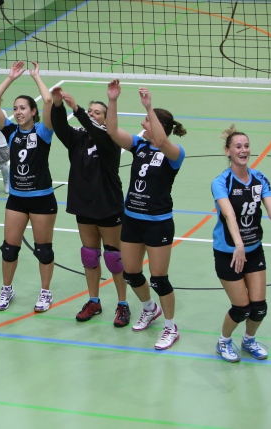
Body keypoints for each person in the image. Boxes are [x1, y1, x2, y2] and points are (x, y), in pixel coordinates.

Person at [105, 79, 187, 350]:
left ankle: (170, 327)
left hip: (158, 223)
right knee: (131, 273)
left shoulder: (174, 154)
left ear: (158, 125)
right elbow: (112, 130)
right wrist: (113, 100)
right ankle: (150, 308)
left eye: (147, 121)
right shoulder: (139, 146)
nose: (142, 124)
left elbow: (161, 140)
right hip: (132, 219)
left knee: (159, 279)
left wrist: (149, 106)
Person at [212, 125, 271, 362]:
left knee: (259, 307)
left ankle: (248, 340)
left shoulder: (259, 178)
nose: (244, 150)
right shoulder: (221, 182)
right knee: (241, 308)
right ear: (228, 151)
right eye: (238, 146)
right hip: (228, 252)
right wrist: (238, 245)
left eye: (246, 146)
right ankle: (223, 341)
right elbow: (228, 214)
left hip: (254, 249)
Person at [51, 87, 129, 326]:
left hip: (108, 205)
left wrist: (77, 109)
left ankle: (123, 304)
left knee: (114, 257)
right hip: (84, 205)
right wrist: (57, 105)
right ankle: (94, 301)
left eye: (97, 112)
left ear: (105, 119)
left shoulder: (111, 139)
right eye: (90, 111)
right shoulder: (78, 138)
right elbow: (60, 127)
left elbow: (95, 130)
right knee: (89, 255)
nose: (93, 115)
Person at [0, 61, 56, 312]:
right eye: (15, 108)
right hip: (17, 199)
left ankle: (45, 292)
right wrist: (10, 77)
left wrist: (36, 77)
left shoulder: (43, 132)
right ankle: (7, 288)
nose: (17, 112)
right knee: (9, 249)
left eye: (23, 108)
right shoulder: (11, 132)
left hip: (42, 199)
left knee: (43, 250)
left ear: (33, 111)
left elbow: (48, 101)